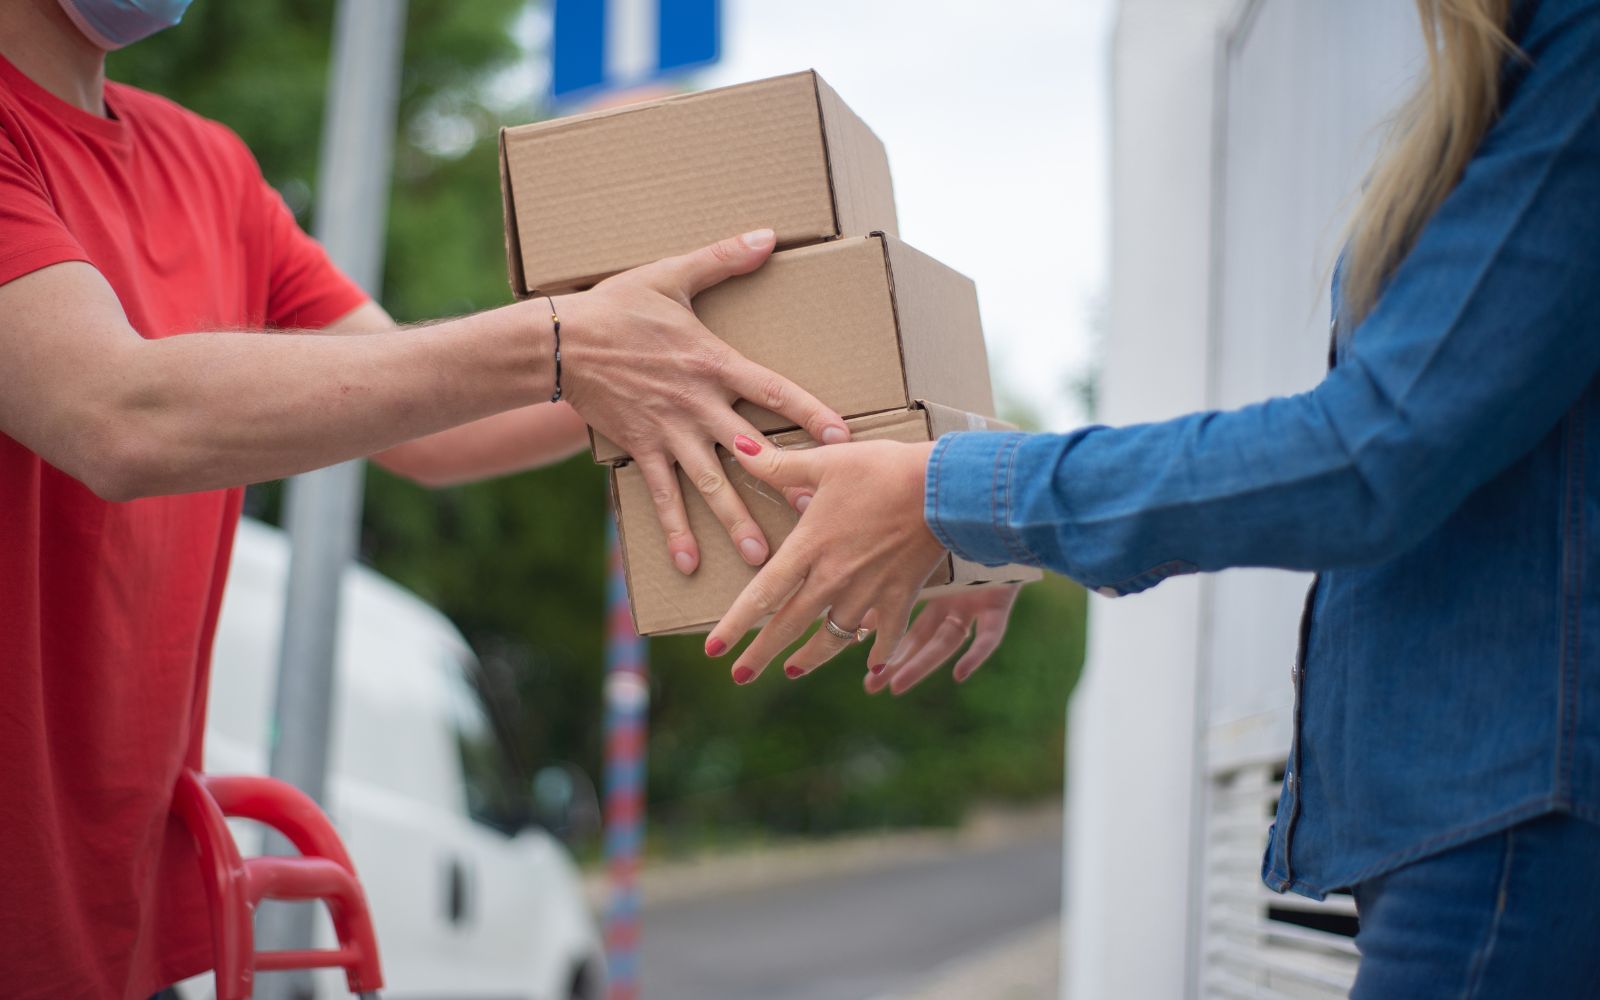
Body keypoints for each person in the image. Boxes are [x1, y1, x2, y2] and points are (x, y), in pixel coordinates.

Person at [710, 0, 1600, 994]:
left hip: (1512, 831)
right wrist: (983, 527)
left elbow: (1369, 452)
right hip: (1475, 824)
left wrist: (948, 496)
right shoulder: (1511, 64)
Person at [0, 0, 869, 995]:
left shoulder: (205, 168)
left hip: (111, 931)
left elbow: (432, 416)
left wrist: (729, 355)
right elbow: (115, 415)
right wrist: (568, 340)